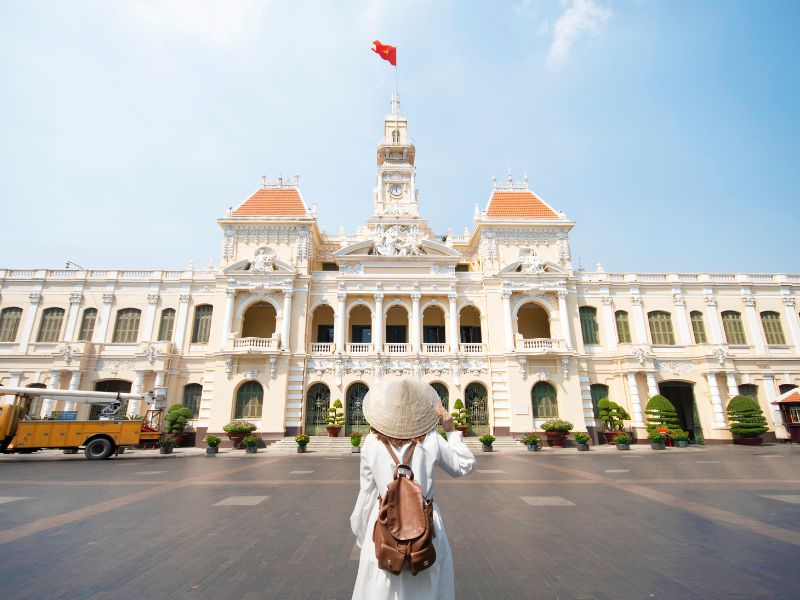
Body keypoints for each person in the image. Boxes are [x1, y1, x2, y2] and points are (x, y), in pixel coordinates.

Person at [350, 378, 476, 600]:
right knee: (427, 583)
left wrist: (361, 531)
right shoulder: (431, 440)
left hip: (384, 523)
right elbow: (464, 465)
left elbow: (367, 493)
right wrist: (451, 430)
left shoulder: (371, 443)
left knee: (382, 585)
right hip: (424, 524)